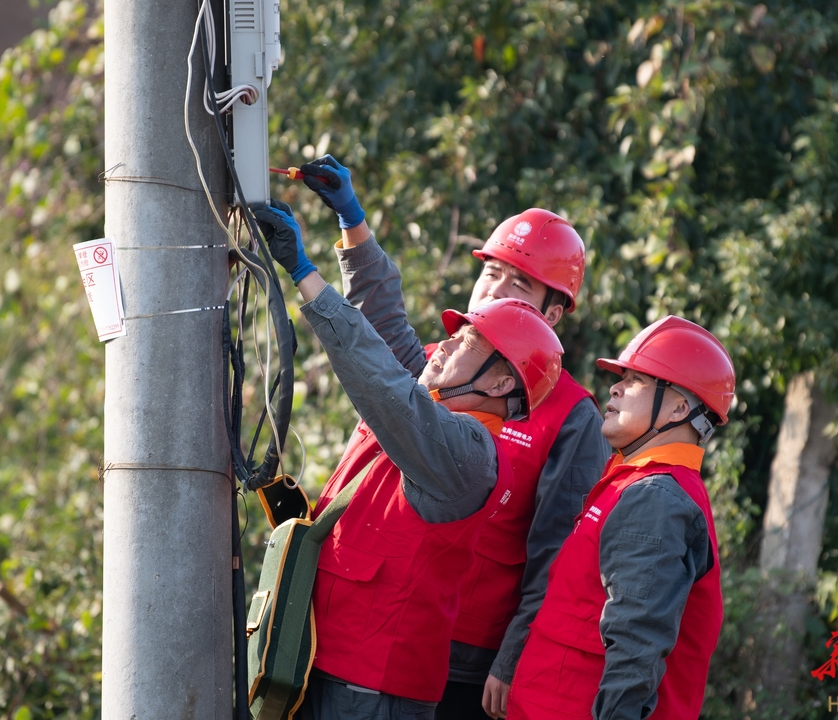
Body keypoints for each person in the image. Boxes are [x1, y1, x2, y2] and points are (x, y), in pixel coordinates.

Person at [298, 155, 609, 719]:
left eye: (520, 283)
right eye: (492, 273)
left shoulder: (572, 416)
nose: (496, 291)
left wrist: (512, 660)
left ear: (555, 312)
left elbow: (557, 553)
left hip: (466, 658)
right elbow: (382, 331)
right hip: (367, 633)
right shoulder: (445, 369)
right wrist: (351, 220)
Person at [249, 198, 564, 720]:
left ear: (502, 381)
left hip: (371, 687)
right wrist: (352, 224)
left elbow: (378, 378)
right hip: (323, 658)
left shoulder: (471, 455)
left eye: (467, 341)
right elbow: (383, 328)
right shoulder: (432, 405)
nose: (445, 345)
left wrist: (307, 275)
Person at [505, 315, 736, 720]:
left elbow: (635, 649)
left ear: (680, 407)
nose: (615, 388)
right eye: (622, 377)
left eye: (637, 380)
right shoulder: (636, 483)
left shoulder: (655, 499)